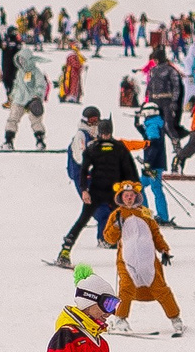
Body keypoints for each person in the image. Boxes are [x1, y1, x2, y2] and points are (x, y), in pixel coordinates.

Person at [100, 179, 182, 335]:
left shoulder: (145, 213)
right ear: (120, 197)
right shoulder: (116, 214)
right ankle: (120, 319)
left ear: (136, 196)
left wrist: (164, 249)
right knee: (126, 289)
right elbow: (109, 238)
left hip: (148, 261)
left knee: (161, 289)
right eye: (126, 195)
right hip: (127, 261)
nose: (129, 198)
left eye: (131, 195)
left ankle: (175, 318)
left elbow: (156, 234)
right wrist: (116, 225)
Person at [56, 108, 137, 267]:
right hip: (93, 187)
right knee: (87, 218)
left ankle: (128, 249)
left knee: (120, 215)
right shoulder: (86, 141)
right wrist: (85, 189)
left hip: (107, 187)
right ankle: (65, 251)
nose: (105, 136)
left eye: (108, 133)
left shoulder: (112, 145)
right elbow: (83, 164)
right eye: (92, 121)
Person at [3, 47, 49, 149]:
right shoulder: (19, 73)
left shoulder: (36, 72)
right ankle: (8, 141)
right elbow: (16, 85)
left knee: (36, 121)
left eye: (23, 59)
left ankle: (40, 141)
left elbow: (41, 84)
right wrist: (12, 96)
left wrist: (38, 95)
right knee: (12, 119)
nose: (21, 62)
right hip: (19, 100)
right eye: (19, 59)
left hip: (32, 100)